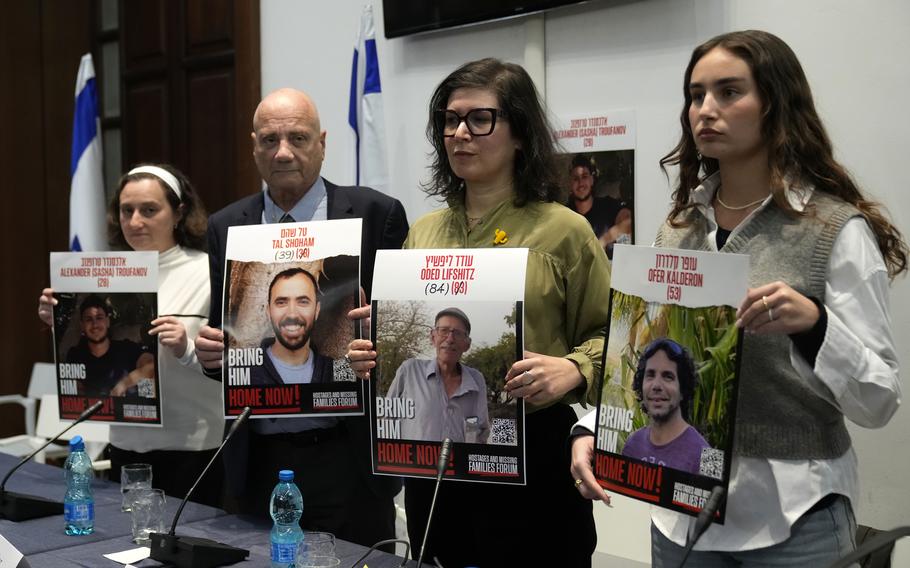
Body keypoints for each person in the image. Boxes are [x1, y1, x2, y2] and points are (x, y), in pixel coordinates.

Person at [571, 30, 905, 566]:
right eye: (697, 95)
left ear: (776, 103)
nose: (706, 109)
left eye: (729, 92)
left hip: (796, 517)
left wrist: (815, 326)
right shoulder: (677, 228)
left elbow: (880, 398)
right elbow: (639, 356)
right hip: (682, 514)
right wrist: (593, 433)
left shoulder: (833, 230)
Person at [347, 58, 611, 567]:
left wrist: (575, 368)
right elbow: (390, 344)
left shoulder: (564, 231)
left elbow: (614, 337)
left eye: (479, 119)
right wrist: (368, 356)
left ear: (520, 134)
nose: (459, 133)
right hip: (436, 467)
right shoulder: (423, 232)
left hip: (533, 457)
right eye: (450, 120)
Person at [193, 88, 408, 547]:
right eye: (269, 140)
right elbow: (228, 343)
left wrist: (381, 334)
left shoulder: (378, 214)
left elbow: (405, 343)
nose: (283, 151)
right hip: (258, 462)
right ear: (254, 146)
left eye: (298, 137)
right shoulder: (226, 225)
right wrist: (212, 356)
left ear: (323, 142)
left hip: (350, 459)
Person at [39, 163, 225, 506]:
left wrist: (186, 348)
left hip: (194, 445)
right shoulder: (104, 275)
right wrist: (60, 322)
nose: (135, 221)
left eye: (149, 210)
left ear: (179, 212)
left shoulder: (208, 270)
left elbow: (236, 365)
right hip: (126, 441)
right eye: (127, 210)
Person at [385, 307, 490, 443]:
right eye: (444, 331)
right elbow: (386, 419)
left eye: (457, 333)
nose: (450, 339)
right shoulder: (410, 370)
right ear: (433, 337)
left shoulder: (477, 380)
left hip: (458, 463)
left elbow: (481, 432)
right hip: (412, 462)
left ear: (467, 344)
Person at [621, 338, 710, 474]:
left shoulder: (709, 458)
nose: (656, 385)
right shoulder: (632, 444)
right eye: (650, 375)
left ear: (683, 389)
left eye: (668, 376)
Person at [249, 268, 333, 386]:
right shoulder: (244, 370)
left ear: (317, 310)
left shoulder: (337, 369)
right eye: (281, 302)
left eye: (303, 302)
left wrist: (367, 336)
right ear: (268, 312)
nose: (292, 314)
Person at [65, 294, 155, 397]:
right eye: (89, 319)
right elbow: (74, 391)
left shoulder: (126, 348)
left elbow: (152, 366)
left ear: (107, 322)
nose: (95, 325)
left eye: (99, 318)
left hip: (130, 411)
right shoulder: (75, 354)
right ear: (82, 325)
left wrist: (124, 385)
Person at [567, 153, 632, 256]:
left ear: (592, 180)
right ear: (570, 184)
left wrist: (604, 240)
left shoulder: (607, 205)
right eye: (575, 178)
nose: (581, 183)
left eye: (584, 176)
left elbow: (629, 221)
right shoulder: (565, 213)